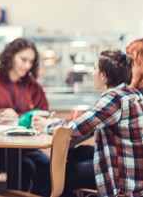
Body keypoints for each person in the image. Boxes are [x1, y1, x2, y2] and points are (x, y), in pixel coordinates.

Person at [33, 49, 143, 197]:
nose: (92, 72)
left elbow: (76, 128)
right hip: (132, 172)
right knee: (76, 153)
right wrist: (55, 122)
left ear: (103, 76)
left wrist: (46, 125)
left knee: (46, 175)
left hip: (122, 180)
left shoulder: (113, 99)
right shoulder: (131, 94)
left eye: (95, 68)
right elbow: (88, 123)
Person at [0, 37, 49, 191]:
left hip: (27, 148)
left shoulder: (34, 87)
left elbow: (43, 115)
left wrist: (19, 119)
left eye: (31, 62)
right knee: (26, 166)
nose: (27, 65)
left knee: (46, 166)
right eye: (23, 59)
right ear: (10, 56)